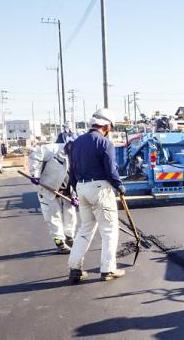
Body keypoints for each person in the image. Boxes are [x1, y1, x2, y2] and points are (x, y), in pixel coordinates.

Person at [67, 108, 125, 283]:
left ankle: (75, 269)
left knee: (85, 229)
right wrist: (119, 186)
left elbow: (72, 169)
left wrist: (74, 189)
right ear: (106, 126)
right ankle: (108, 270)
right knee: (109, 231)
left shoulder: (76, 142)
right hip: (99, 188)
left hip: (81, 187)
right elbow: (111, 169)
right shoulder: (104, 143)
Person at [28, 141, 77, 254]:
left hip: (67, 191)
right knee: (53, 218)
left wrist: (76, 195)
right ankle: (59, 242)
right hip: (48, 190)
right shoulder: (52, 149)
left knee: (71, 216)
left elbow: (77, 177)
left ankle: (69, 237)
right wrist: (34, 174)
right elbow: (35, 156)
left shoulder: (78, 156)